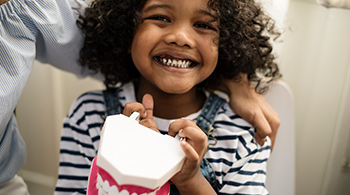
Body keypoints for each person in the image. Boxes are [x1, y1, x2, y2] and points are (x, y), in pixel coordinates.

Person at [0, 0, 279, 194]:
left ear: (227, 42)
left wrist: (191, 180)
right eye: (160, 17)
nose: (181, 37)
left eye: (204, 25)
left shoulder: (242, 135)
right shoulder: (89, 115)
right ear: (126, 30)